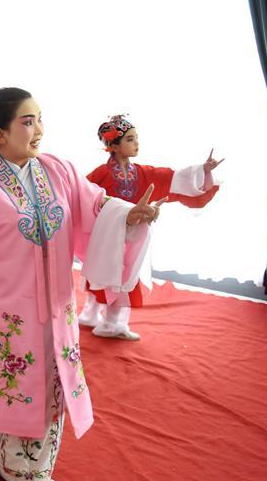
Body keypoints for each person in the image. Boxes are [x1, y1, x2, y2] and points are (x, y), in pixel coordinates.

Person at [0, 88, 161, 481]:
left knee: (48, 375)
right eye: (28, 121)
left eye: (39, 119)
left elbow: (97, 207)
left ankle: (29, 462)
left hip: (56, 305)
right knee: (9, 378)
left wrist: (129, 215)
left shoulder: (58, 171)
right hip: (5, 310)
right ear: (0, 133)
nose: (39, 130)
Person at [78, 114, 222, 340]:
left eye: (137, 138)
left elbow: (171, 178)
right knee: (109, 274)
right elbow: (81, 196)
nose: (137, 143)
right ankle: (104, 322)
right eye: (130, 139)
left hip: (131, 235)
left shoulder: (142, 172)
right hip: (107, 233)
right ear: (114, 146)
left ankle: (100, 318)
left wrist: (202, 170)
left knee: (119, 274)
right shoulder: (101, 173)